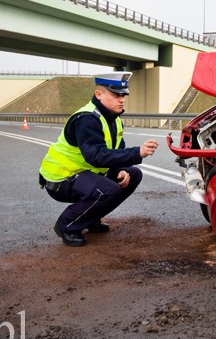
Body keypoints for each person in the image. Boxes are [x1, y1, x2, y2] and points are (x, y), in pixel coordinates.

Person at [39, 72, 159, 247]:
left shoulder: (113, 119)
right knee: (108, 189)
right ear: (98, 94)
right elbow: (95, 156)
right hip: (61, 178)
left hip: (82, 174)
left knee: (133, 174)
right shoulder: (87, 119)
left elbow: (116, 151)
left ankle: (89, 219)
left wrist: (121, 169)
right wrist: (137, 152)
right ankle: (67, 225)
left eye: (123, 95)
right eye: (116, 95)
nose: (122, 99)